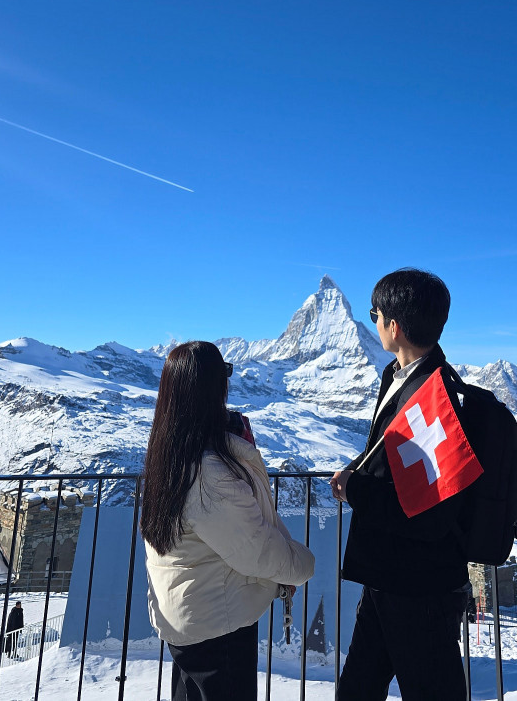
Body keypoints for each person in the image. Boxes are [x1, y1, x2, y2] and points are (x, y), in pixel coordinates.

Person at [141, 340, 314, 701]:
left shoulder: (169, 457)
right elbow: (256, 549)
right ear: (214, 389)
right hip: (217, 626)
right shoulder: (210, 474)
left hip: (188, 616)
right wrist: (302, 565)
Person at [330, 268, 470, 701]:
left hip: (420, 586)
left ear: (394, 326)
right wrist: (357, 472)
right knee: (356, 689)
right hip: (388, 574)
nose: (372, 323)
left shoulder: (435, 399)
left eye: (374, 315)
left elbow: (428, 507)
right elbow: (390, 459)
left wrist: (355, 490)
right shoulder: (400, 378)